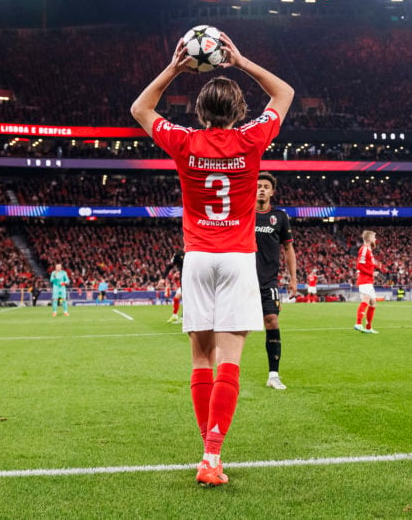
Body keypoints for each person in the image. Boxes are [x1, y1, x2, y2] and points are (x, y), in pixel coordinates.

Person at [131, 31, 293, 487]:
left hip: (197, 257)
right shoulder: (251, 139)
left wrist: (175, 68)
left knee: (201, 360)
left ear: (200, 113)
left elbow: (140, 110)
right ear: (239, 112)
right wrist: (240, 61)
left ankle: (207, 456)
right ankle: (212, 455)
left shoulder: (184, 142)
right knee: (230, 361)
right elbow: (284, 92)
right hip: (239, 258)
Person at [254, 171, 297, 390]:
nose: (261, 189)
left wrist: (293, 279)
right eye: (258, 185)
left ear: (272, 191)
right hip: (240, 281)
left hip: (268, 282)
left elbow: (289, 248)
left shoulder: (280, 217)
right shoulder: (243, 214)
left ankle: (273, 375)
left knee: (272, 320)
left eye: (265, 186)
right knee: (230, 327)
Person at [353, 230, 381, 334]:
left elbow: (367, 264)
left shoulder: (369, 250)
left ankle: (368, 327)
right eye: (374, 237)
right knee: (366, 299)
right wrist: (371, 273)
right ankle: (358, 323)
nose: (375, 239)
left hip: (368, 280)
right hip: (365, 280)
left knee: (373, 303)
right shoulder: (364, 249)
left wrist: (375, 267)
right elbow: (359, 265)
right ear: (369, 239)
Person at [166, 249, 185, 323]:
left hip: (189, 283)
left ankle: (184, 317)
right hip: (183, 283)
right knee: (176, 298)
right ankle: (175, 316)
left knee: (186, 301)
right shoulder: (179, 263)